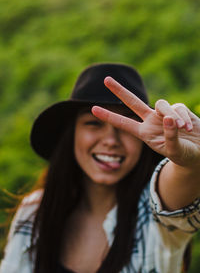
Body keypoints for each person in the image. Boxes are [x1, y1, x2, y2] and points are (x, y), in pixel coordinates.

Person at [0, 63, 200, 273]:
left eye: (125, 125)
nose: (111, 140)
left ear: (143, 140)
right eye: (94, 123)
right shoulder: (34, 211)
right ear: (72, 134)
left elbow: (180, 179)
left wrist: (191, 162)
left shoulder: (151, 216)